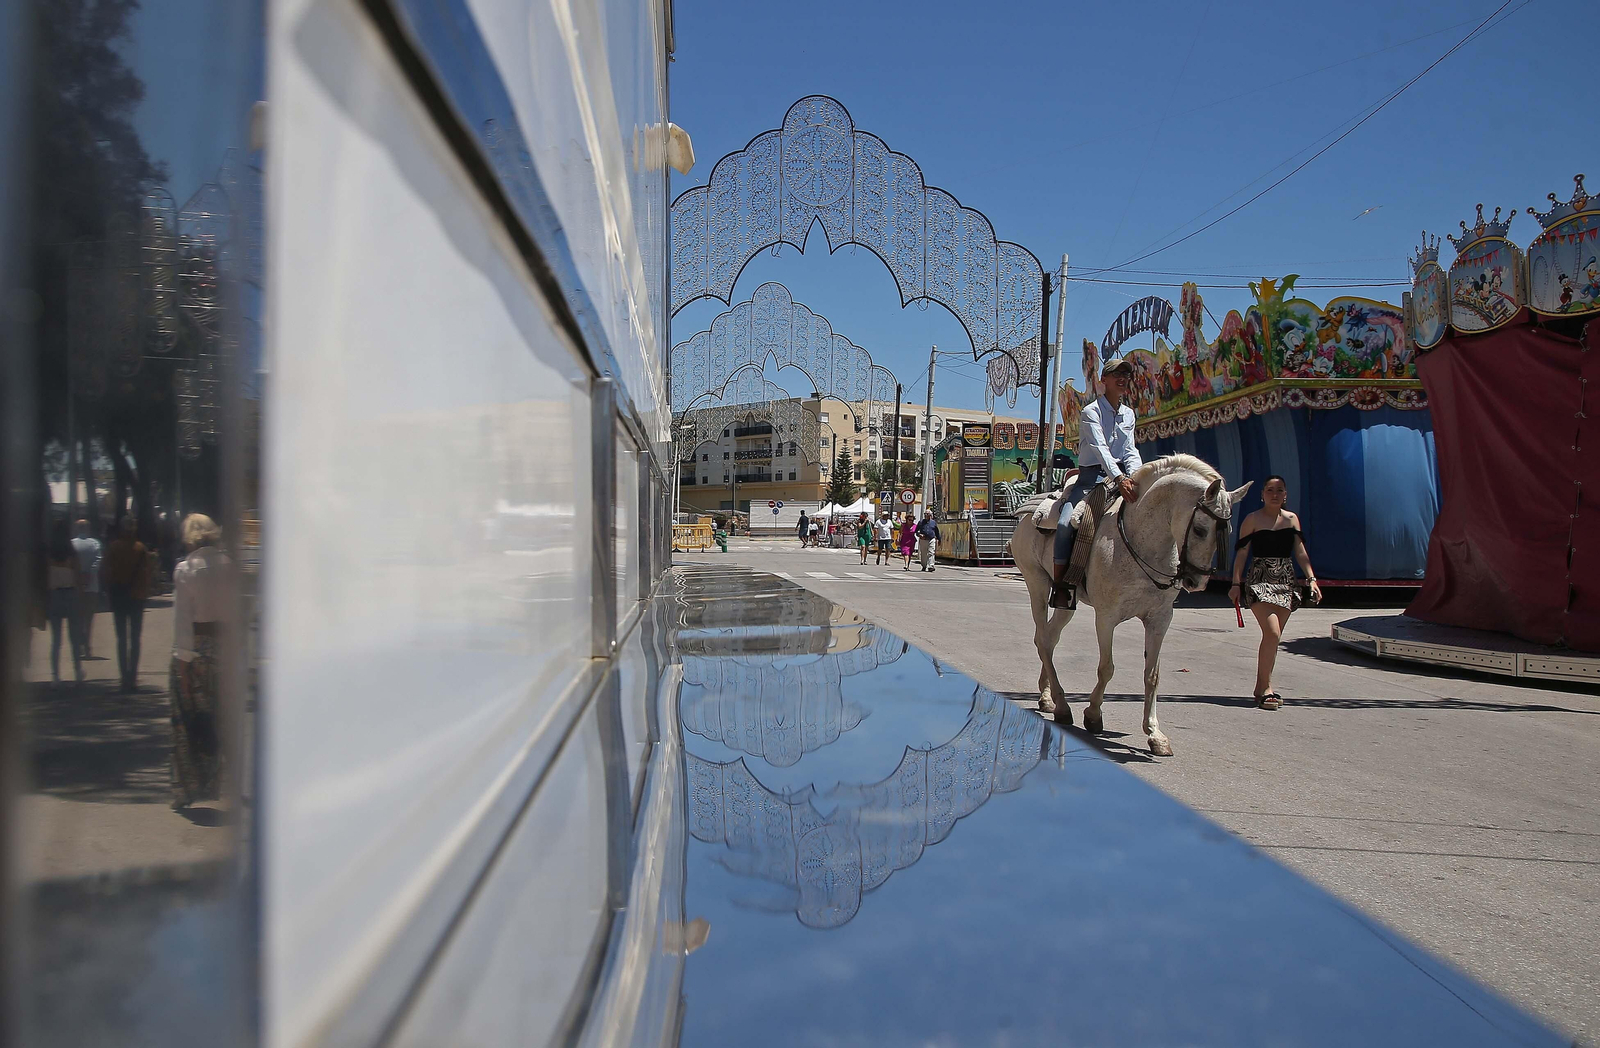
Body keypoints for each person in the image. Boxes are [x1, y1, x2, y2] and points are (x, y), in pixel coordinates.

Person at [1050, 357, 1142, 610]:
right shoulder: (1091, 411)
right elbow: (1100, 448)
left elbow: (1130, 449)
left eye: (1126, 374)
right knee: (1065, 523)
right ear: (1104, 380)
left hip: (1122, 476)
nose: (1122, 379)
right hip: (1092, 479)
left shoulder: (1128, 414)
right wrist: (1119, 478)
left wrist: (1136, 476)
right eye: (1116, 374)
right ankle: (1062, 587)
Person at [1231, 475, 1322, 710]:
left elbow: (1300, 552)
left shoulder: (1292, 520)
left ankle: (1261, 688)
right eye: (1270, 490)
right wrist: (1235, 584)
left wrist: (1311, 579)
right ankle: (1267, 688)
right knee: (1271, 632)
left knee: (1275, 636)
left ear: (1285, 495)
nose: (1274, 494)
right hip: (1259, 579)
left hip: (1285, 580)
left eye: (1279, 490)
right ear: (1262, 494)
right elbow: (1241, 553)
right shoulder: (1252, 519)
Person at [171, 513, 232, 811]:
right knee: (218, 718)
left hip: (195, 652)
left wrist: (182, 663)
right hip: (224, 650)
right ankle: (216, 782)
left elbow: (183, 621)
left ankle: (186, 788)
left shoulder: (186, 570)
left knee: (187, 721)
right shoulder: (229, 566)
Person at [103, 515, 151, 692]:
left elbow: (107, 572)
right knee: (135, 638)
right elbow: (147, 574)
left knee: (121, 638)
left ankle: (124, 677)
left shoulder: (114, 547)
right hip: (137, 597)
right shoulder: (140, 548)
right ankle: (133, 677)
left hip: (119, 596)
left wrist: (109, 593)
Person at [45, 520, 84, 685]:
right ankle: (77, 672)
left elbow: (45, 576)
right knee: (74, 636)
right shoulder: (72, 552)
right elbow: (78, 575)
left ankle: (55, 675)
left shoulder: (49, 553)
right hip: (70, 593)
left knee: (56, 639)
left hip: (54, 595)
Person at [70, 517, 102, 659]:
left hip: (75, 586)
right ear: (88, 529)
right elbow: (98, 561)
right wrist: (89, 574)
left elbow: (70, 564)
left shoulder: (71, 544)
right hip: (92, 586)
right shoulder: (95, 544)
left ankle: (79, 646)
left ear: (77, 529)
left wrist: (78, 576)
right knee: (89, 619)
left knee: (77, 618)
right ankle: (87, 647)